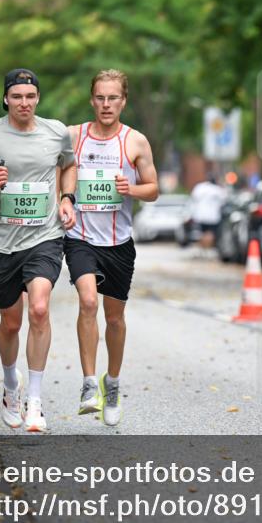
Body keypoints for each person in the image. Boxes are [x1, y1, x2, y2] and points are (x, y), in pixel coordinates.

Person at [0, 69, 76, 433]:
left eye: (30, 96)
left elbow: (69, 165)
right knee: (11, 322)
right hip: (1, 243)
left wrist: (67, 198)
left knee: (39, 309)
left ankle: (35, 401)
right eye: (17, 96)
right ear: (6, 99)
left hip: (44, 237)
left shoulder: (56, 131)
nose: (24, 102)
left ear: (37, 98)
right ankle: (11, 385)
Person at [62, 69, 158, 426]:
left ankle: (111, 383)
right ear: (92, 99)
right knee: (88, 301)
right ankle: (89, 384)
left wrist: (130, 189)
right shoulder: (74, 136)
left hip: (119, 241)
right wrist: (66, 199)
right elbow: (58, 172)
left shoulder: (135, 142)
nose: (106, 104)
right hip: (80, 238)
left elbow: (154, 188)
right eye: (100, 97)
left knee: (114, 318)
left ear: (123, 101)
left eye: (113, 98)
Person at [189, 173, 225, 255]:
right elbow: (223, 201)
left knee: (202, 233)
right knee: (210, 233)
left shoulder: (200, 187)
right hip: (213, 216)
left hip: (200, 215)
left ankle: (203, 249)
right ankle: (208, 249)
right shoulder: (217, 190)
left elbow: (194, 198)